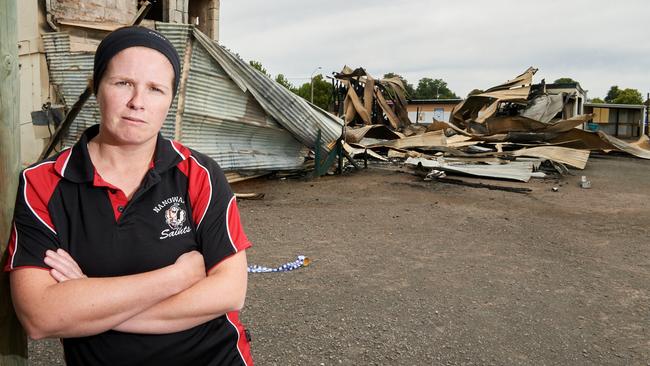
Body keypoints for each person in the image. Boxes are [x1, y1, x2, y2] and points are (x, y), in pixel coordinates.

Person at [5, 26, 253, 365]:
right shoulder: (42, 183)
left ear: (170, 100)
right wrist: (176, 278)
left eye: (155, 89)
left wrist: (89, 304)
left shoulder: (200, 174)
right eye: (123, 83)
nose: (138, 102)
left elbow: (229, 292)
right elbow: (40, 317)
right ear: (96, 87)